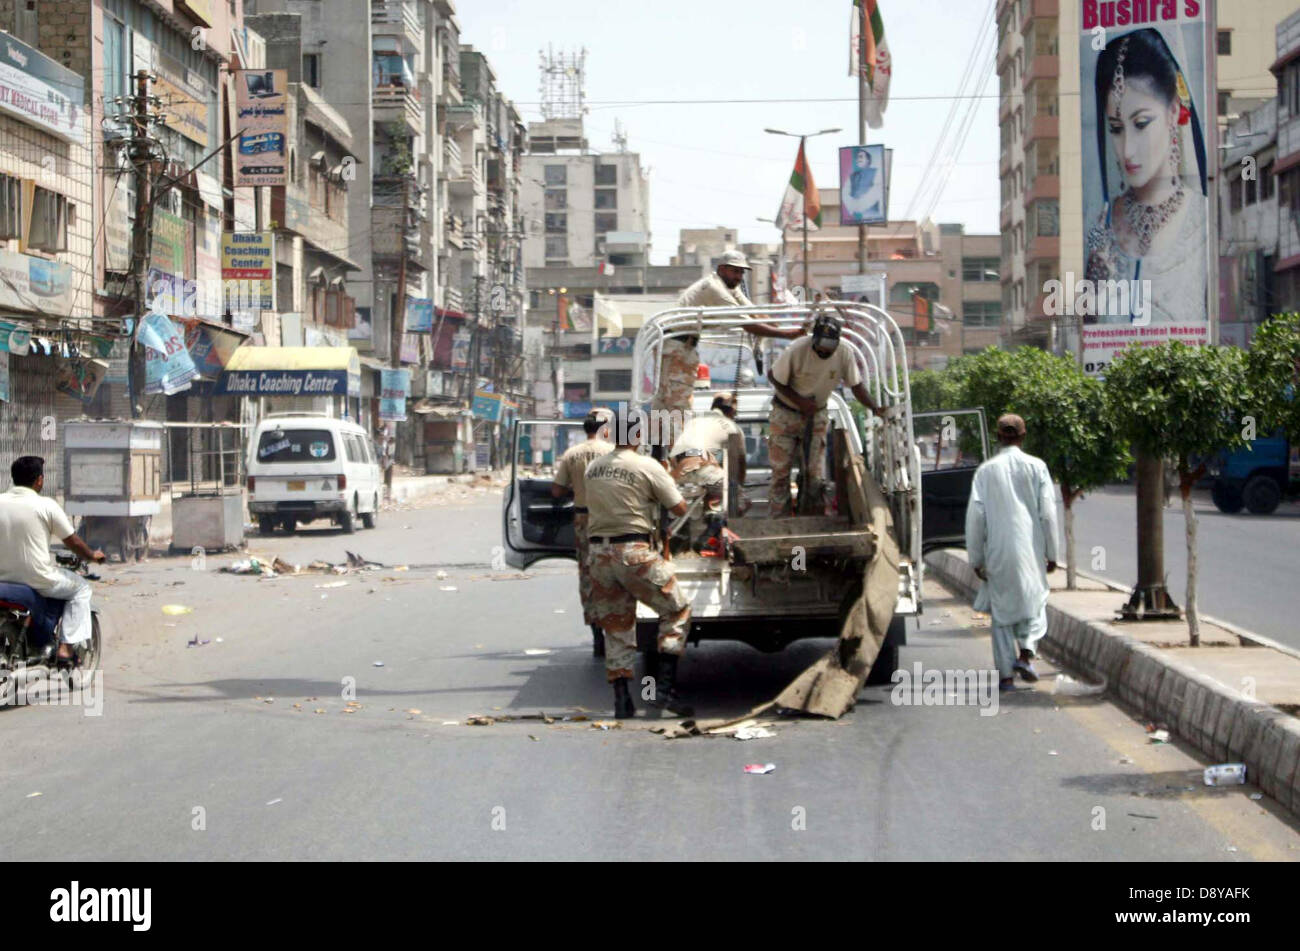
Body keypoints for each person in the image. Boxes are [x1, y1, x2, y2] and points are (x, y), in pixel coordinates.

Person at [1084, 28, 1208, 325]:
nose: (1127, 150)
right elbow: (1086, 329)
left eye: (1141, 123)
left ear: (1172, 112)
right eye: (1116, 128)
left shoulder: (1205, 220)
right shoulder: (1101, 226)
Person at [584, 406, 692, 719]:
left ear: (610, 434)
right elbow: (680, 507)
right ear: (639, 435)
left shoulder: (594, 468)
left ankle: (622, 700)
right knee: (676, 609)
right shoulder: (647, 466)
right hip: (634, 552)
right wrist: (663, 478)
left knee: (617, 625)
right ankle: (664, 691)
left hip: (599, 555)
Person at [652, 250, 802, 459]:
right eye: (734, 271)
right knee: (678, 404)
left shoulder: (730, 288)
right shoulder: (714, 287)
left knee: (666, 403)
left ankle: (660, 456)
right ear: (721, 269)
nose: (739, 277)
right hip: (677, 346)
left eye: (741, 273)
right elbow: (748, 323)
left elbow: (752, 312)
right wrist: (788, 334)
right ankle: (680, 457)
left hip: (677, 345)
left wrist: (776, 323)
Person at [964, 414, 1061, 692]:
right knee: (1036, 600)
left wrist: (976, 558)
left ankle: (1006, 676)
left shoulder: (985, 471)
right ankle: (1026, 654)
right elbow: (1048, 514)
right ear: (1023, 435)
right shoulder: (1037, 467)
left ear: (998, 436)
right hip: (1031, 551)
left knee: (1002, 613)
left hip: (997, 551)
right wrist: (1052, 554)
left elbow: (976, 516)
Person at [766, 312, 884, 518]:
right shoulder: (797, 349)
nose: (825, 350)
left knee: (814, 475)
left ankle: (811, 518)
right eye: (821, 345)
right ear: (813, 340)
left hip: (817, 415)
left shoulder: (844, 353)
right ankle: (779, 520)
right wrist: (800, 401)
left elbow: (856, 386)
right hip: (786, 414)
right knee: (781, 473)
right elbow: (774, 377)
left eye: (830, 346)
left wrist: (875, 407)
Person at [0, 456, 106, 662]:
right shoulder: (45, 505)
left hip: (3, 579)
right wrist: (92, 555)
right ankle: (65, 648)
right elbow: (72, 542)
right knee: (81, 588)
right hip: (37, 579)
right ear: (39, 480)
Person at [551, 408, 615, 657]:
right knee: (614, 571)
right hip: (611, 518)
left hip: (583, 519)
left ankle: (597, 634)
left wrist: (576, 491)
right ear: (605, 429)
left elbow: (556, 491)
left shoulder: (571, 454)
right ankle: (616, 629)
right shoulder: (614, 453)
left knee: (588, 574)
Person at [667, 393, 747, 549]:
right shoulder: (732, 427)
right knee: (742, 501)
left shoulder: (695, 420)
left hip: (678, 471)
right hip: (700, 466)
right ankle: (706, 540)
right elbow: (740, 465)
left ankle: (681, 538)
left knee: (710, 489)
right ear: (731, 412)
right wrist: (737, 490)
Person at [841, 148, 881, 221]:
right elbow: (845, 194)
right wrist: (853, 206)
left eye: (861, 157)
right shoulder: (852, 176)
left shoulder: (876, 172)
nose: (858, 159)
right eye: (857, 157)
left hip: (871, 214)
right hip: (857, 213)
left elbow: (876, 192)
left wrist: (858, 206)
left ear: (868, 160)